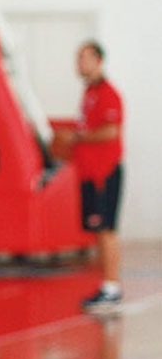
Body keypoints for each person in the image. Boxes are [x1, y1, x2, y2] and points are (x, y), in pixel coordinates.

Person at [68, 40, 124, 313]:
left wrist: (81, 137)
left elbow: (111, 131)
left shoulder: (108, 93)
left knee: (107, 230)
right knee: (98, 231)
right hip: (90, 173)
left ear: (98, 60)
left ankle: (112, 287)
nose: (78, 63)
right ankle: (105, 286)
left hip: (105, 173)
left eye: (83, 57)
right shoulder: (88, 93)